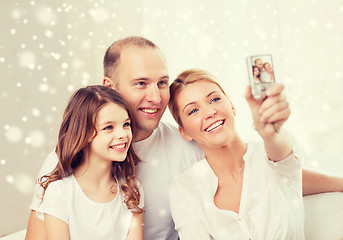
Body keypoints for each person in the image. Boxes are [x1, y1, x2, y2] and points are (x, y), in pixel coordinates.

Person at [26, 36, 343, 240]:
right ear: (109, 86)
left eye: (162, 82)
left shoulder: (187, 144)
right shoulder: (68, 156)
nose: (155, 96)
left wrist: (337, 181)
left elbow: (266, 173)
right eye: (141, 83)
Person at [168, 69, 304, 239]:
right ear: (185, 132)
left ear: (231, 106)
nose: (210, 112)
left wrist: (270, 133)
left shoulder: (271, 156)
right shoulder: (185, 186)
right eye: (193, 111)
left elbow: (282, 153)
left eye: (215, 99)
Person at [35, 85, 144, 240]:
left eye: (126, 124)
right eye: (108, 127)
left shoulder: (131, 190)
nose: (123, 134)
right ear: (83, 133)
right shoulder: (60, 192)